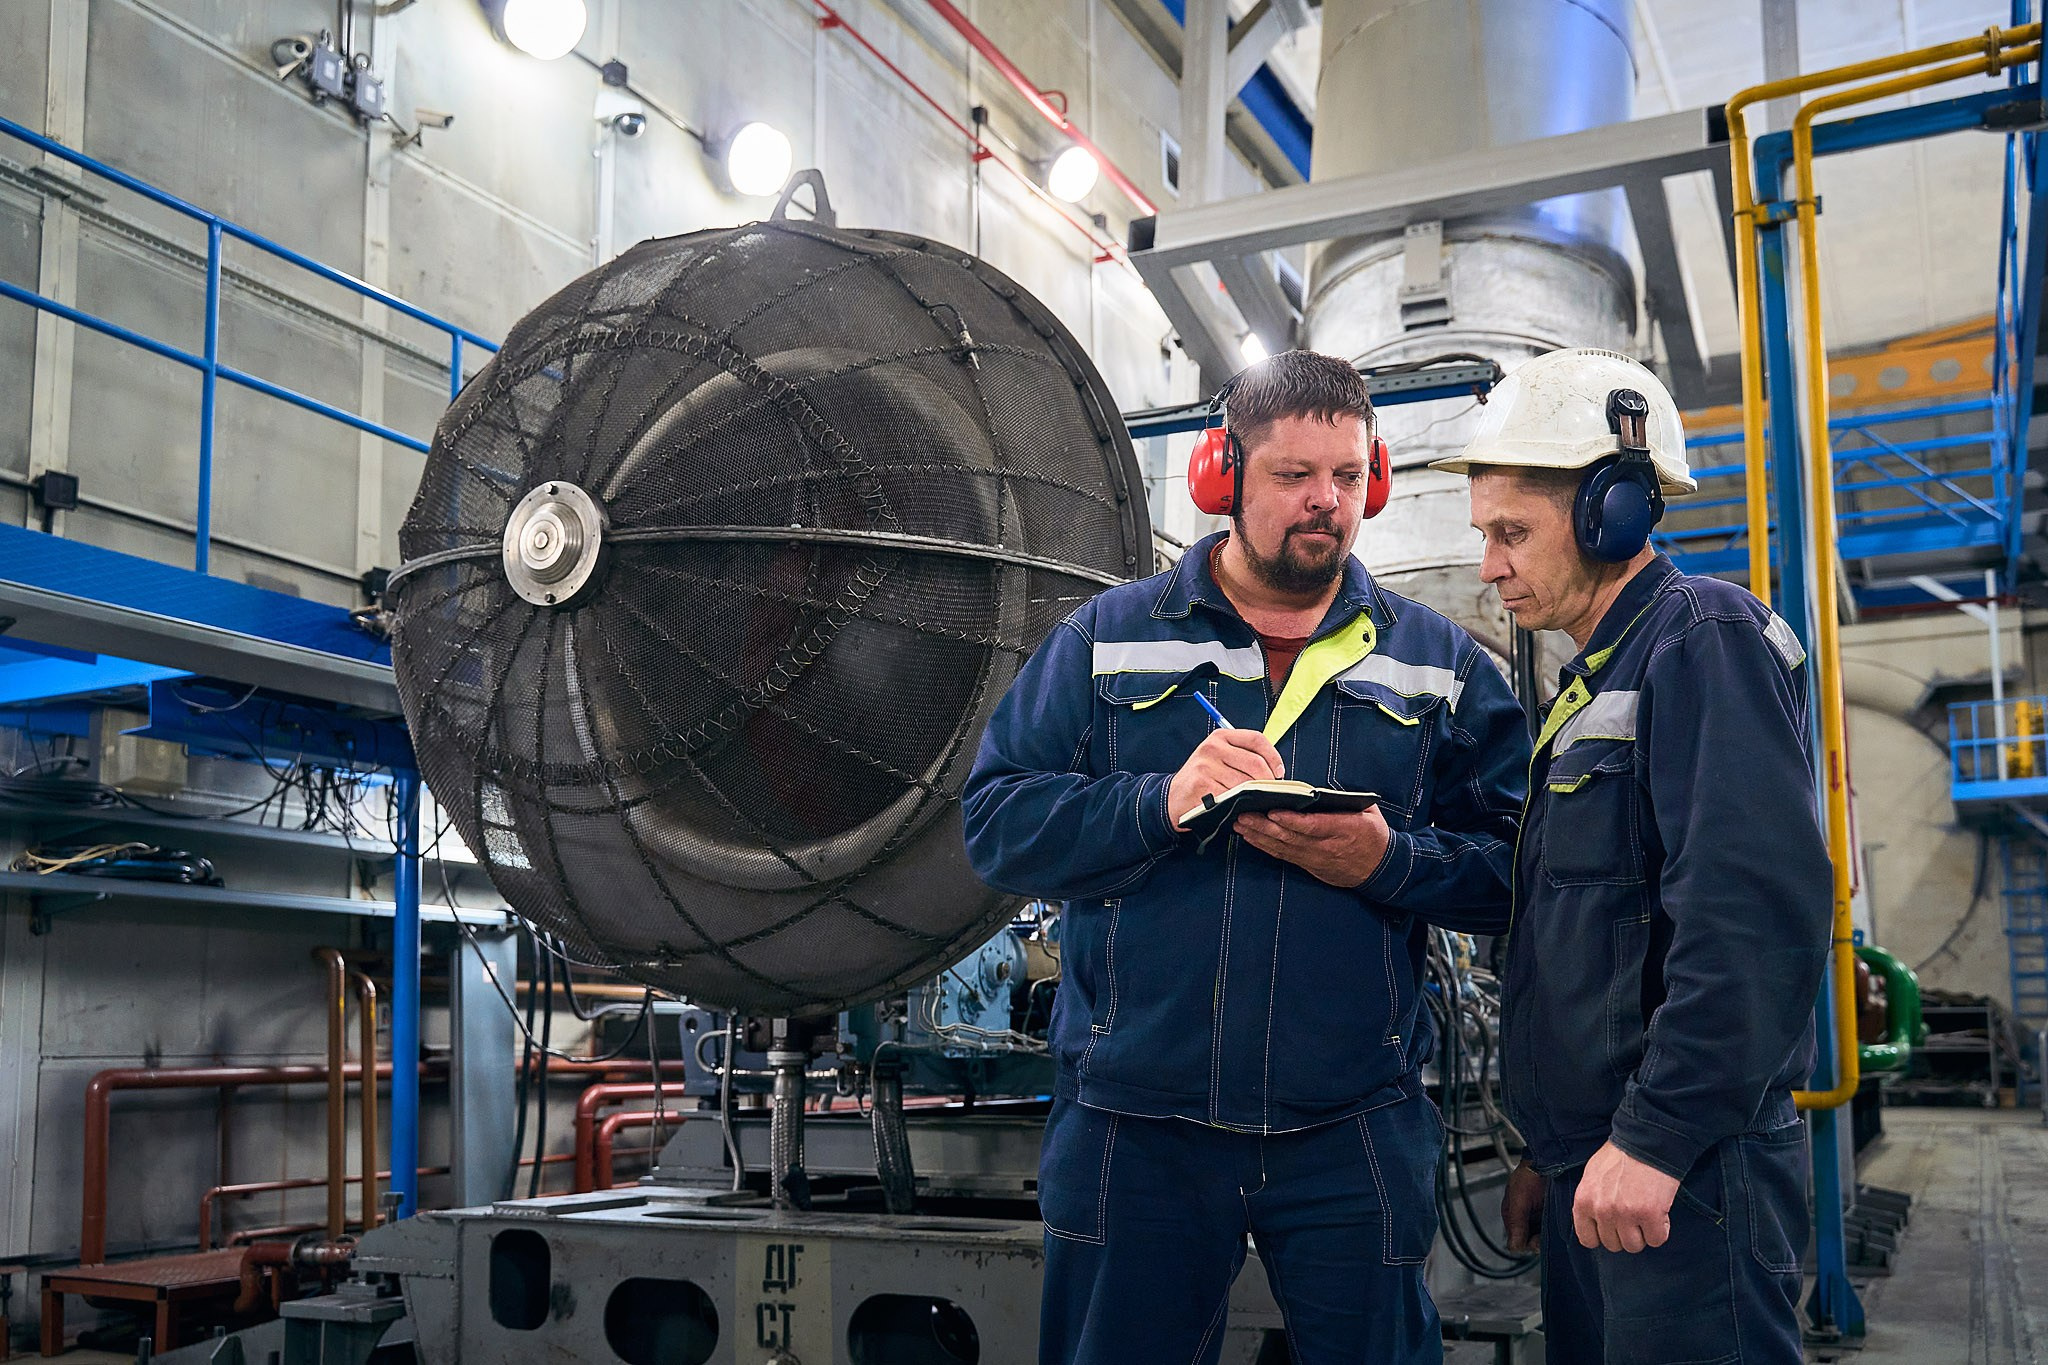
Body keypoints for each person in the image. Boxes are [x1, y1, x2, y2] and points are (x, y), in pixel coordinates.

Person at [961, 349, 1530, 1364]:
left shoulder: (1434, 666)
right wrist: (1161, 803)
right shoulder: (1106, 641)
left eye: (1347, 479)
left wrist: (1386, 864)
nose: (1325, 503)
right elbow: (998, 827)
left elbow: (1521, 874)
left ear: (1377, 479)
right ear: (1221, 478)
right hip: (1135, 1126)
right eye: (1292, 477)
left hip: (1350, 1124)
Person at [1432, 347, 1832, 1364]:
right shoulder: (1596, 679)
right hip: (1602, 1167)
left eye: (1511, 534)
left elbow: (1747, 919)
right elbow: (1593, 939)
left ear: (1613, 510)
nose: (1489, 566)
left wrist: (1653, 1137)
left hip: (1684, 1176)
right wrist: (1550, 1153)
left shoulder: (1701, 639)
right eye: (1484, 536)